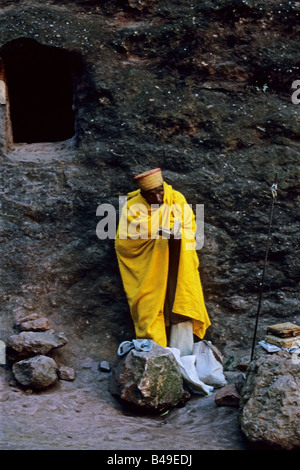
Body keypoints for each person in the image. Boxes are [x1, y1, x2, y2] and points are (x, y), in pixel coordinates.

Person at [115, 168, 210, 356]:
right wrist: (154, 233)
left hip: (177, 262)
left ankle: (183, 357)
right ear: (142, 194)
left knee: (181, 303)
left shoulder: (176, 199)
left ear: (164, 187)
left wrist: (176, 234)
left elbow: (191, 227)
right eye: (151, 195)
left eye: (160, 192)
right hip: (150, 267)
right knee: (149, 307)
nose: (158, 198)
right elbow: (124, 243)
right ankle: (154, 355)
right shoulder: (133, 207)